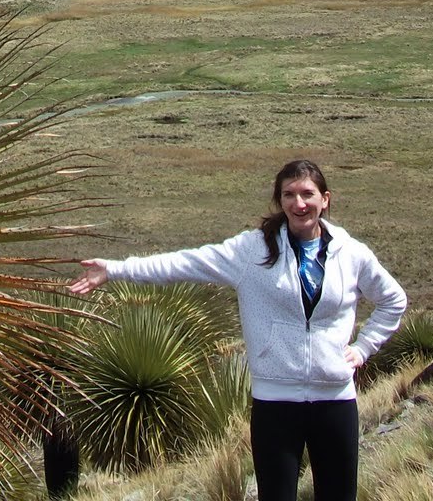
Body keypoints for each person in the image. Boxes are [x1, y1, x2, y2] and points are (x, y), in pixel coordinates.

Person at [69, 158, 406, 501]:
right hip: (275, 403)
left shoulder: (352, 254)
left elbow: (393, 300)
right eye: (289, 194)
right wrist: (115, 269)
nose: (299, 203)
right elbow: (185, 263)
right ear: (279, 200)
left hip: (335, 400)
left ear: (325, 199)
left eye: (307, 194)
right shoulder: (252, 251)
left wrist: (364, 348)